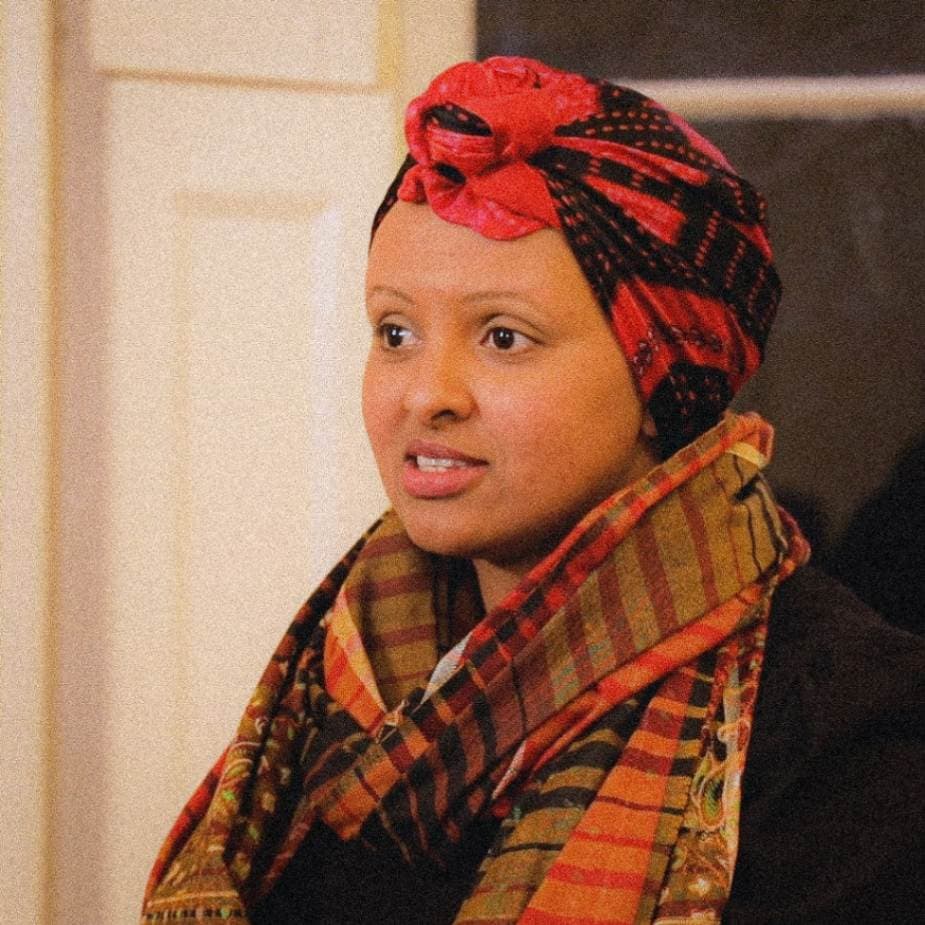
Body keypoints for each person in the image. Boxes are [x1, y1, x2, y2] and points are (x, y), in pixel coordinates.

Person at [140, 57, 925, 924]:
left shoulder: (849, 741)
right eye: (394, 331)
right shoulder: (338, 678)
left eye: (504, 337)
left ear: (660, 378)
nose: (425, 393)